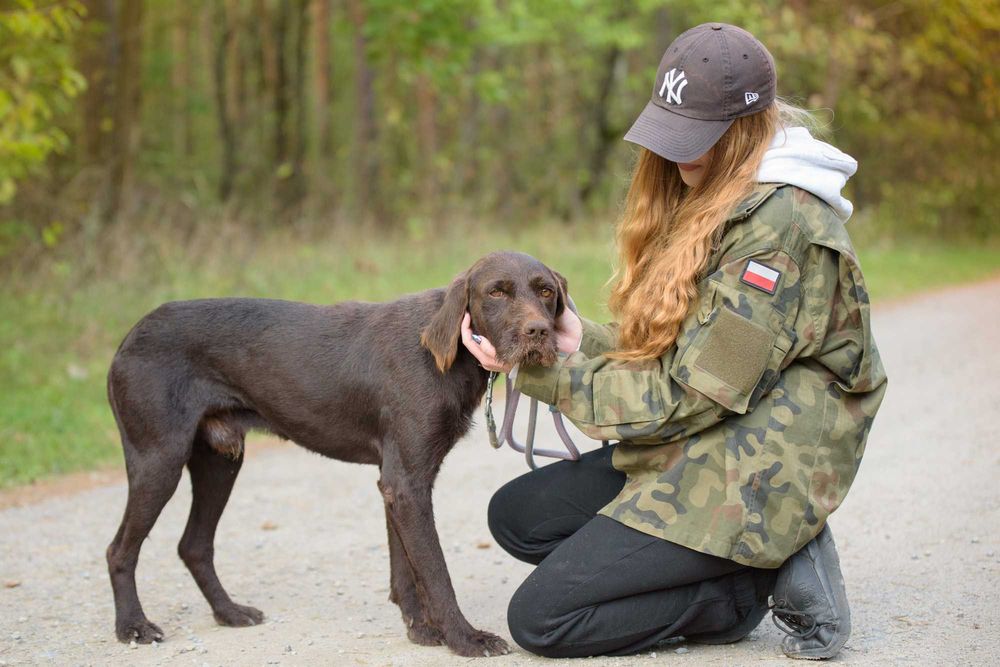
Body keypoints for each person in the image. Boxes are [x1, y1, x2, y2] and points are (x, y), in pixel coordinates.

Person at [460, 22, 888, 660]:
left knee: (543, 622)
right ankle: (719, 562)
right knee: (519, 518)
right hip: (714, 429)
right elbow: (688, 351)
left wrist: (542, 373)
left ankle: (748, 583)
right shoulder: (715, 195)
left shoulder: (781, 229)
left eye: (697, 136)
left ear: (744, 129)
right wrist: (582, 341)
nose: (678, 153)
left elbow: (688, 394)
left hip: (757, 463)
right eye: (672, 129)